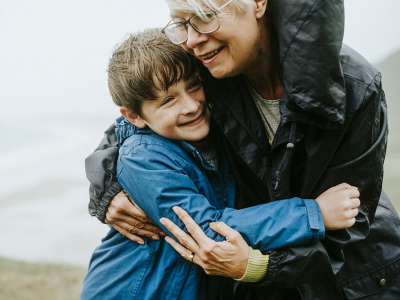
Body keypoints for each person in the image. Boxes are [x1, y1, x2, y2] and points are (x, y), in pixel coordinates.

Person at [85, 0, 400, 299]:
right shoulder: (206, 64)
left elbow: (349, 219)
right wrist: (108, 183)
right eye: (183, 23)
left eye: (206, 14)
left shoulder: (355, 87)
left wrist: (256, 266)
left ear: (258, 3)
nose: (193, 39)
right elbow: (139, 119)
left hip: (356, 279)